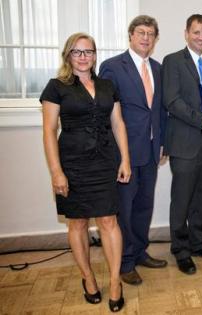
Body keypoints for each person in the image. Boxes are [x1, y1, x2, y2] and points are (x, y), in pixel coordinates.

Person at [41, 32, 130, 312]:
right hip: (73, 164)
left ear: (94, 55)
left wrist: (124, 159)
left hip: (105, 161)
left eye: (88, 52)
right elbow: (48, 131)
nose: (83, 57)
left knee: (109, 222)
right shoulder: (56, 87)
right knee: (77, 223)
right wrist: (56, 171)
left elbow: (118, 124)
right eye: (78, 52)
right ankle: (88, 277)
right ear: (68, 55)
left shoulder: (107, 85)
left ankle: (115, 281)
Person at [99, 15, 168, 286]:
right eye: (141, 33)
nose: (146, 38)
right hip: (124, 154)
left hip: (151, 151)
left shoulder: (159, 68)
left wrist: (164, 144)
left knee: (143, 207)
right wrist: (115, 154)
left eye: (151, 34)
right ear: (130, 35)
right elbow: (106, 114)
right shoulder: (112, 67)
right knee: (123, 211)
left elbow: (161, 110)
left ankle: (139, 252)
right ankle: (125, 262)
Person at [161, 14, 202, 275]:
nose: (201, 37)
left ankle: (199, 243)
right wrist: (201, 119)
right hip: (185, 142)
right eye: (196, 32)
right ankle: (180, 249)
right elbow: (172, 101)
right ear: (186, 33)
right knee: (182, 199)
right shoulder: (173, 61)